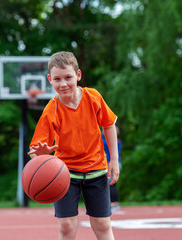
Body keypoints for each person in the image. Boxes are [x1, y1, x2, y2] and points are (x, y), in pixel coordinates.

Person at [28, 51, 119, 240]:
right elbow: (35, 151)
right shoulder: (51, 110)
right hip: (64, 174)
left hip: (96, 170)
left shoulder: (92, 97)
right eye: (57, 79)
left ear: (78, 75)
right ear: (49, 80)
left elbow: (109, 125)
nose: (63, 84)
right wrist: (42, 156)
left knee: (102, 223)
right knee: (67, 226)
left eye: (68, 77)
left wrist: (114, 160)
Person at [102, 125, 122, 211]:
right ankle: (115, 202)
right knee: (113, 184)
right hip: (117, 164)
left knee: (110, 185)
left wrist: (102, 133)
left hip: (110, 164)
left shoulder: (107, 142)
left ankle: (113, 203)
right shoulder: (119, 141)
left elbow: (99, 141)